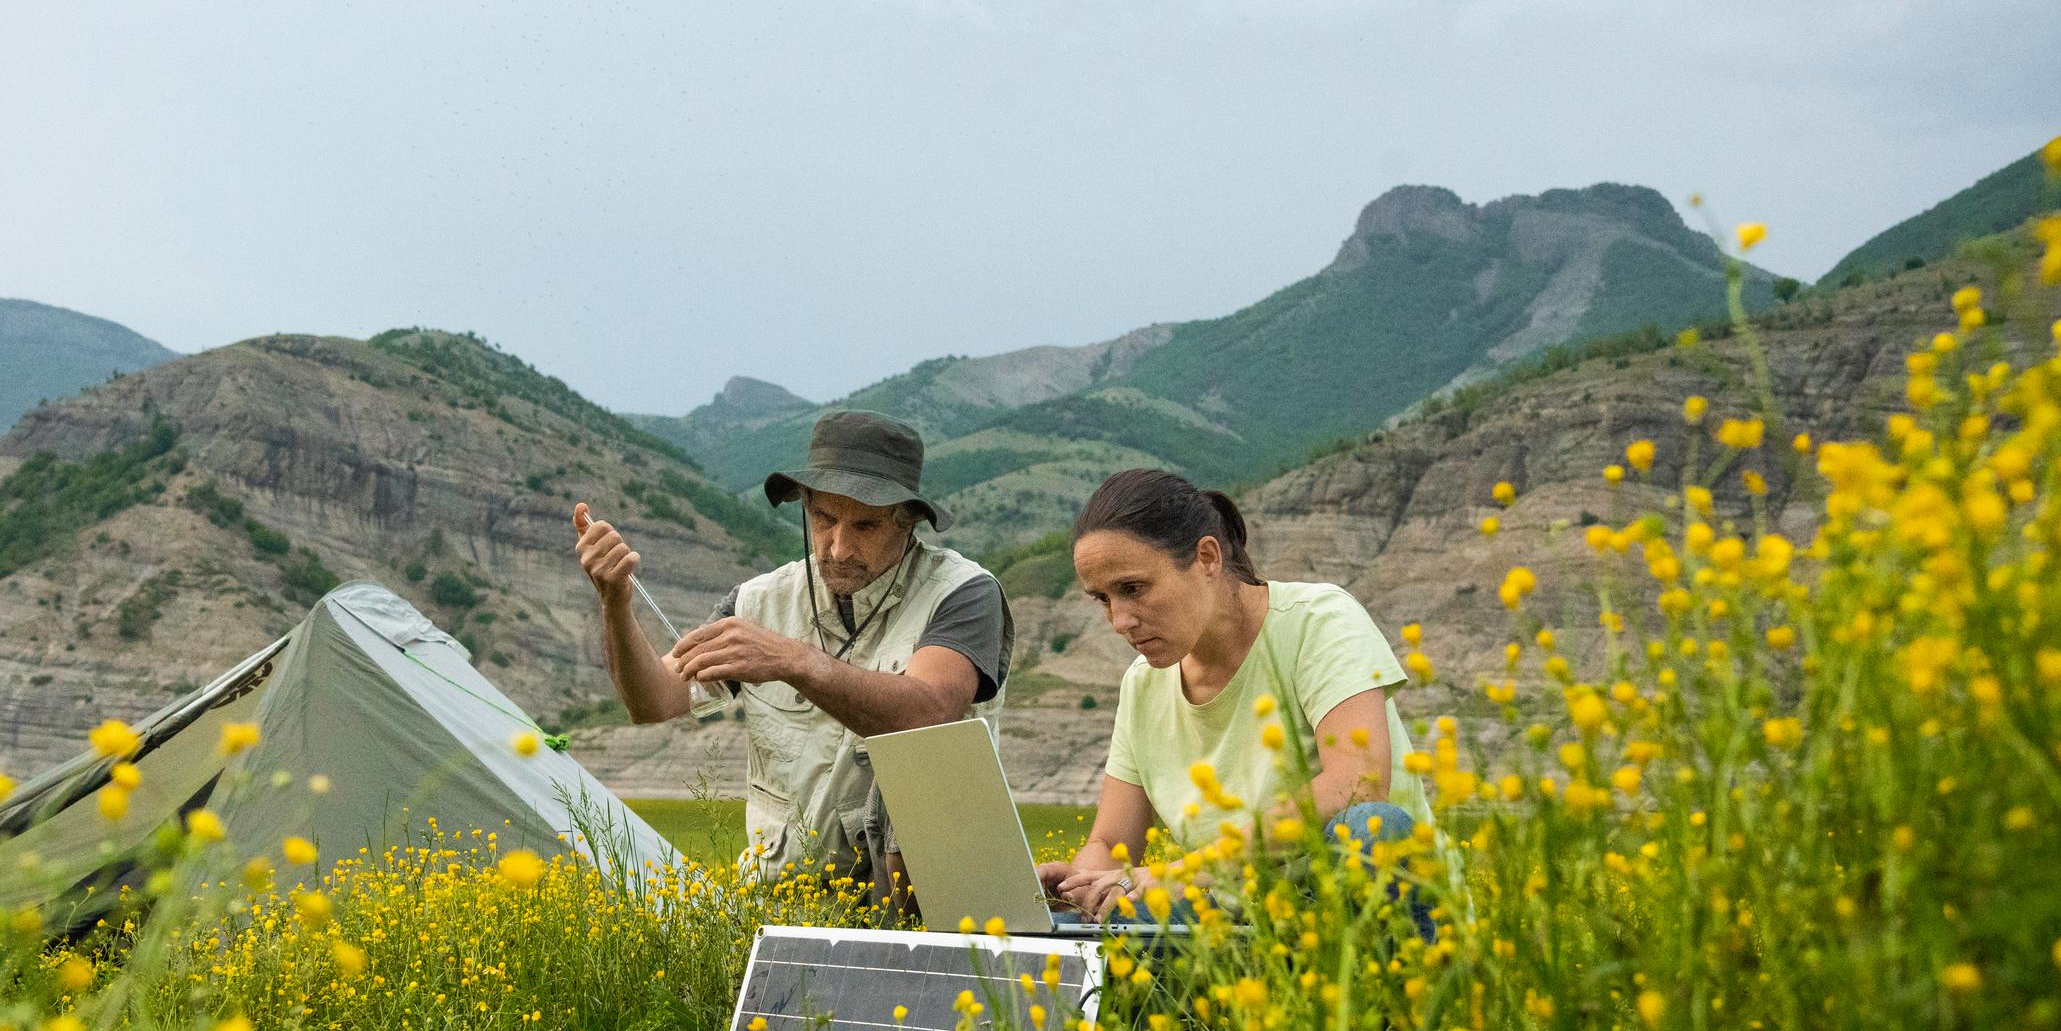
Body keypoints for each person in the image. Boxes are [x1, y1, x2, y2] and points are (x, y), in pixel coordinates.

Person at [573, 410, 1012, 902]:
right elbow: (652, 700)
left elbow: (929, 711)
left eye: (865, 526)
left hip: (923, 906)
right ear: (804, 506)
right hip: (781, 904)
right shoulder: (760, 601)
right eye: (824, 519)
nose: (839, 548)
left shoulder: (964, 595)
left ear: (909, 522)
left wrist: (794, 660)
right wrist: (614, 602)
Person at [1039, 468, 1431, 920]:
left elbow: (1358, 784)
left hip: (1347, 913)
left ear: (1207, 557)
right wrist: (1075, 887)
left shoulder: (1318, 620)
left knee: (1373, 829)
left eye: (1133, 589)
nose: (1120, 620)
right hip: (1236, 925)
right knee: (1082, 925)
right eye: (1103, 599)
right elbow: (1111, 843)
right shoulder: (1142, 683)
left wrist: (1182, 872)